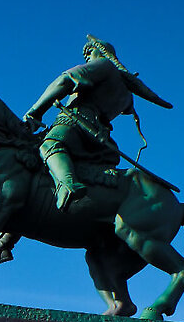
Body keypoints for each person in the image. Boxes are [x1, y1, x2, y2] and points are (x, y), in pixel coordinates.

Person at [23, 35, 173, 211]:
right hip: (101, 139)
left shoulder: (104, 66)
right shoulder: (127, 93)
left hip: (76, 123)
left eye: (90, 51)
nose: (87, 56)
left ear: (102, 52)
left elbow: (64, 81)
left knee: (48, 146)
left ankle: (67, 184)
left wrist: (35, 113)